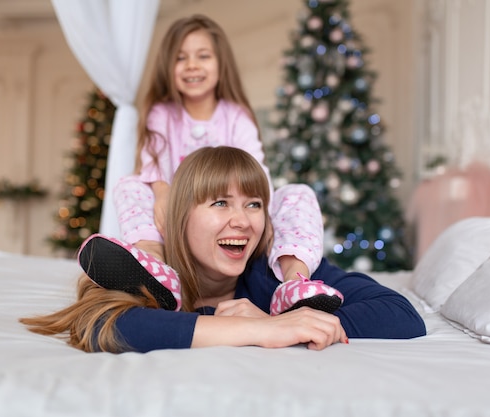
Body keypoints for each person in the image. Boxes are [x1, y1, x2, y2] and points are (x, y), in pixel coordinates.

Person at [21, 147, 426, 353]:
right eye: (220, 203)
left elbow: (402, 316)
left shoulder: (272, 271)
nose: (243, 220)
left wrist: (286, 315)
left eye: (254, 204)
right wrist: (263, 330)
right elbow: (102, 323)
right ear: (180, 218)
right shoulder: (147, 271)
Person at [108, 14, 336, 315]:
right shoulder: (162, 113)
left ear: (220, 64)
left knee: (299, 193)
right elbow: (153, 162)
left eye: (203, 56)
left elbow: (256, 168)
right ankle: (153, 267)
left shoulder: (235, 115)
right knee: (129, 184)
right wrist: (163, 194)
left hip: (232, 213)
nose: (192, 65)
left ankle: (294, 282)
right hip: (181, 215)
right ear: (168, 67)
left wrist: (262, 213)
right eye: (181, 58)